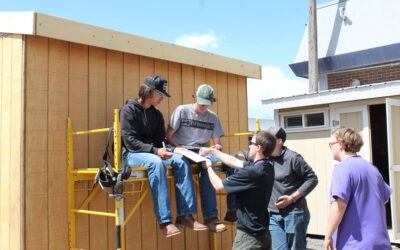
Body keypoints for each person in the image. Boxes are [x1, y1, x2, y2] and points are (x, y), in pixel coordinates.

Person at [120, 74, 207, 238]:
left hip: (154, 152)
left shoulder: (157, 114)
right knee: (156, 163)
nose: (162, 98)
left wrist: (174, 150)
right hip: (133, 154)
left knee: (181, 161)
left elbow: (161, 141)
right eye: (160, 94)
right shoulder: (128, 110)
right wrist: (156, 151)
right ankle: (165, 222)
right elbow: (130, 141)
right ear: (149, 91)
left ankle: (185, 215)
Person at [199, 131, 276, 250]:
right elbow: (235, 162)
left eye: (252, 143)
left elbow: (219, 186)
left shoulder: (253, 172)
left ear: (259, 148)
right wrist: (213, 151)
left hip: (249, 237)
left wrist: (208, 166)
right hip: (262, 233)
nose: (249, 145)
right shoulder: (267, 166)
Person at [166, 84, 227, 232]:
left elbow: (218, 144)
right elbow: (168, 135)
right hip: (180, 149)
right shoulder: (182, 110)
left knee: (210, 165)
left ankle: (212, 218)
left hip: (201, 152)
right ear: (194, 98)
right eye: (202, 103)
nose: (204, 107)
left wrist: (214, 149)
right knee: (183, 165)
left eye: (207, 104)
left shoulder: (213, 117)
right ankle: (185, 215)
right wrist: (178, 147)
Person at [324, 127, 392, 250]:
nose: (331, 148)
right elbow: (385, 198)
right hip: (380, 241)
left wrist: (328, 236)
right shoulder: (372, 169)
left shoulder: (342, 169)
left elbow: (339, 205)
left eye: (331, 144)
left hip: (355, 243)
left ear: (340, 144)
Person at [266, 126, 318, 250]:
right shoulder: (265, 158)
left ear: (279, 141)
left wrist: (292, 198)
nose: (266, 142)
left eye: (269, 139)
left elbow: (312, 179)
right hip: (273, 215)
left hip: (294, 214)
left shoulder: (293, 158)